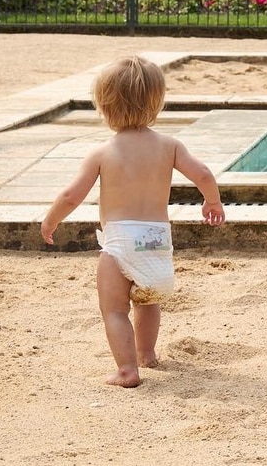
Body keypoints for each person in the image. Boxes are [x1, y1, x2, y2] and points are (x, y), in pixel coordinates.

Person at [41, 55, 226, 388]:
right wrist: (212, 201)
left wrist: (51, 220)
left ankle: (127, 369)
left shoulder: (102, 153)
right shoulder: (170, 146)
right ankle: (147, 354)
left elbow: (71, 196)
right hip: (157, 239)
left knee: (114, 309)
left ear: (103, 106)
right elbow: (203, 173)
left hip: (120, 242)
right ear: (157, 103)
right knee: (148, 301)